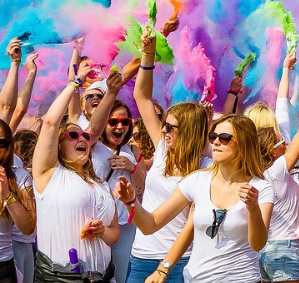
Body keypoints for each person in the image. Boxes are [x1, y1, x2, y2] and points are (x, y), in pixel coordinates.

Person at [115, 115, 275, 283]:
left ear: (244, 143)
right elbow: (150, 224)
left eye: (225, 138)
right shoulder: (197, 180)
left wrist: (253, 209)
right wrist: (130, 202)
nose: (216, 142)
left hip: (242, 279)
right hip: (196, 278)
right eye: (213, 137)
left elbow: (258, 244)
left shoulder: (261, 188)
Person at [128, 32, 211, 283]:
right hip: (141, 256)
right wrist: (148, 54)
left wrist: (166, 266)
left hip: (180, 262)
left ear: (188, 132)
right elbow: (142, 97)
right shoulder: (163, 150)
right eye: (163, 125)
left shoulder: (205, 169)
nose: (163, 131)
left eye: (170, 127)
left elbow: (193, 225)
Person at [33, 76, 119, 282]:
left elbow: (115, 233)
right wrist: (75, 83)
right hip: (59, 278)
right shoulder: (49, 173)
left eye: (85, 137)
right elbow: (50, 122)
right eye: (73, 136)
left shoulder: (101, 183)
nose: (82, 138)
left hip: (104, 277)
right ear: (58, 145)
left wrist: (102, 231)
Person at [252, 55, 299, 283]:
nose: (286, 143)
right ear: (272, 150)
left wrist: (286, 68)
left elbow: (282, 104)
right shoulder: (278, 169)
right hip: (283, 252)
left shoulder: (253, 170)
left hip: (265, 251)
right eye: (281, 142)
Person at [91, 100, 139, 282]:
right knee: (95, 274)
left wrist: (132, 168)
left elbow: (142, 187)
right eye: (113, 122)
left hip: (124, 223)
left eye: (125, 122)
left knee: (121, 276)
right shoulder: (90, 147)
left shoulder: (132, 149)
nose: (120, 127)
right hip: (96, 222)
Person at [0, 119, 34, 283]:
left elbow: (28, 227)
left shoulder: (20, 177)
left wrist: (7, 194)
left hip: (3, 265)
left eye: (1, 143)